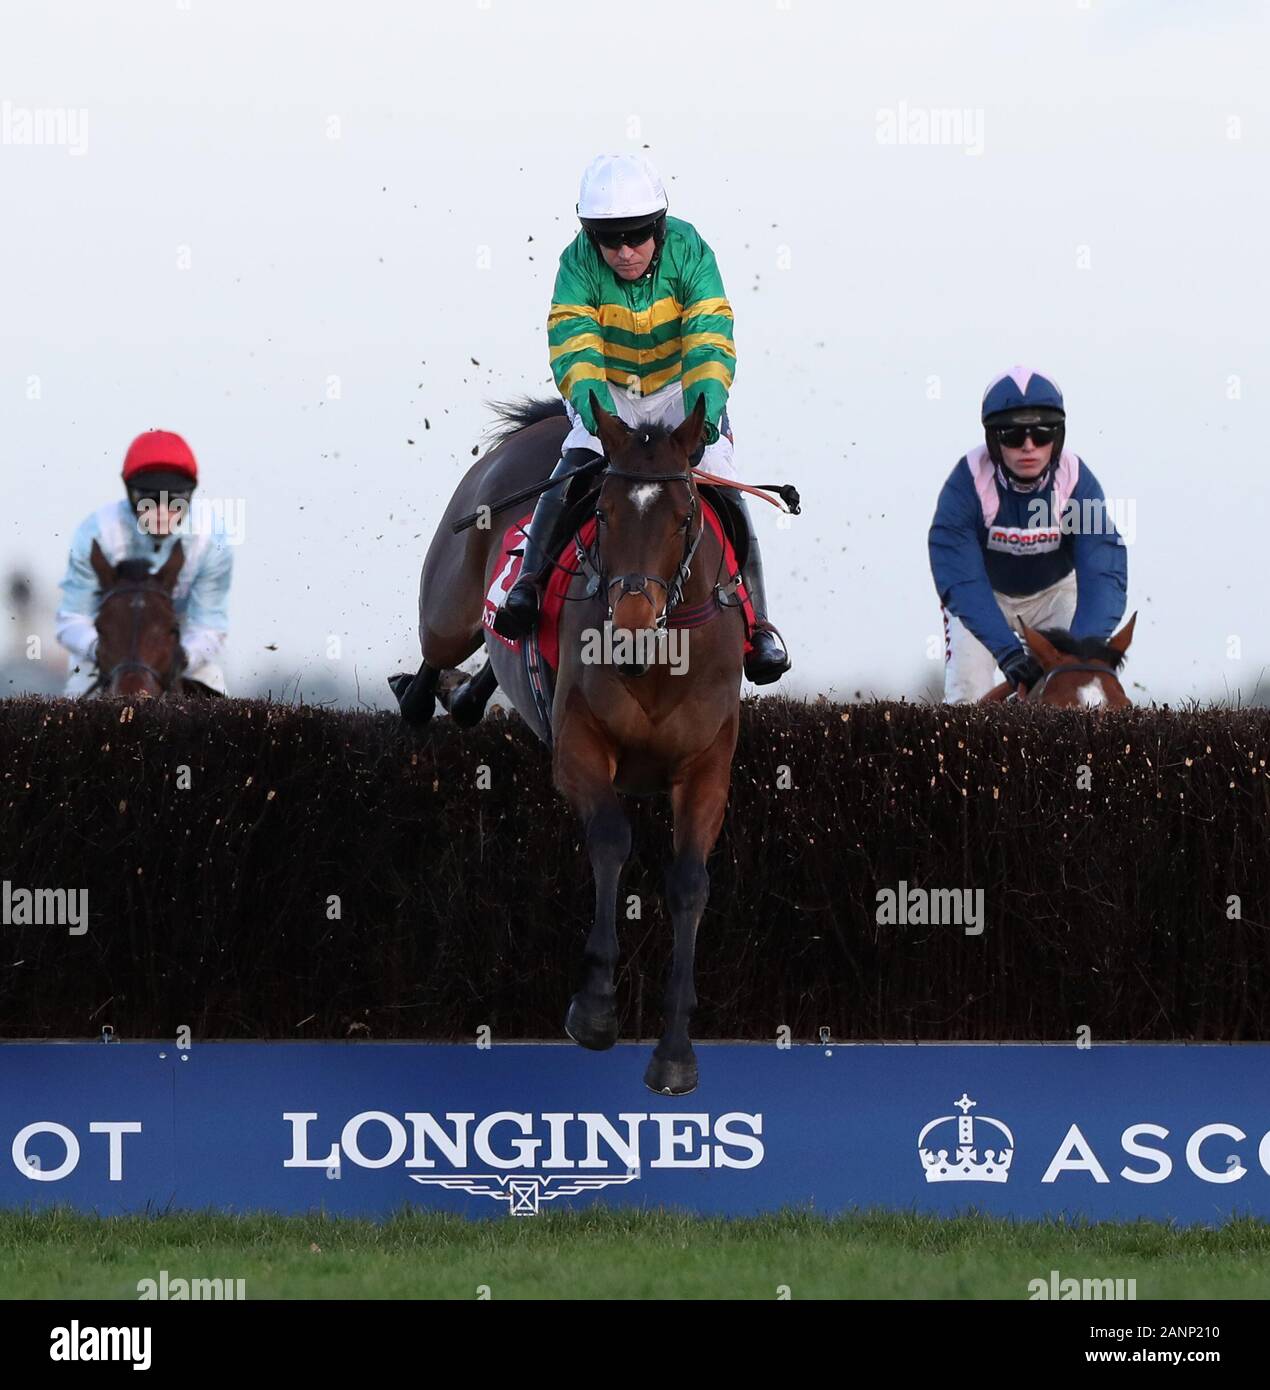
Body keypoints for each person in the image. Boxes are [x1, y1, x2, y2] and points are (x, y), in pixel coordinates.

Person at [493, 152, 790, 684]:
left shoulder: (691, 251)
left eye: (635, 236)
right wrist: (600, 421)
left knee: (726, 490)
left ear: (658, 226)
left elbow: (709, 341)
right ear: (592, 236)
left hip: (682, 391)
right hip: (609, 393)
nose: (624, 252)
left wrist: (700, 426)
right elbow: (574, 347)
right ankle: (530, 584)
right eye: (611, 240)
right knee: (571, 471)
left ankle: (759, 627)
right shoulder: (576, 262)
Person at [928, 367, 1127, 701]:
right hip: (985, 597)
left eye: (1042, 434)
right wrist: (1009, 653)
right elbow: (962, 579)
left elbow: (1103, 572)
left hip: (1056, 595)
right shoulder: (966, 484)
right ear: (994, 440)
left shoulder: (1077, 482)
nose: (1029, 447)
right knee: (967, 695)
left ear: (1058, 438)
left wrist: (1075, 654)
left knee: (1085, 695)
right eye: (1013, 436)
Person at [56, 429, 233, 694]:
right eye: (148, 501)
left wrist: (181, 657)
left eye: (175, 502)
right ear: (129, 494)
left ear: (191, 496)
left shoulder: (212, 541)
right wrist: (100, 649)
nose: (161, 513)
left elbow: (209, 626)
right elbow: (71, 619)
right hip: (107, 651)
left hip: (179, 644)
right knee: (74, 709)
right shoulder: (96, 532)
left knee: (218, 702)